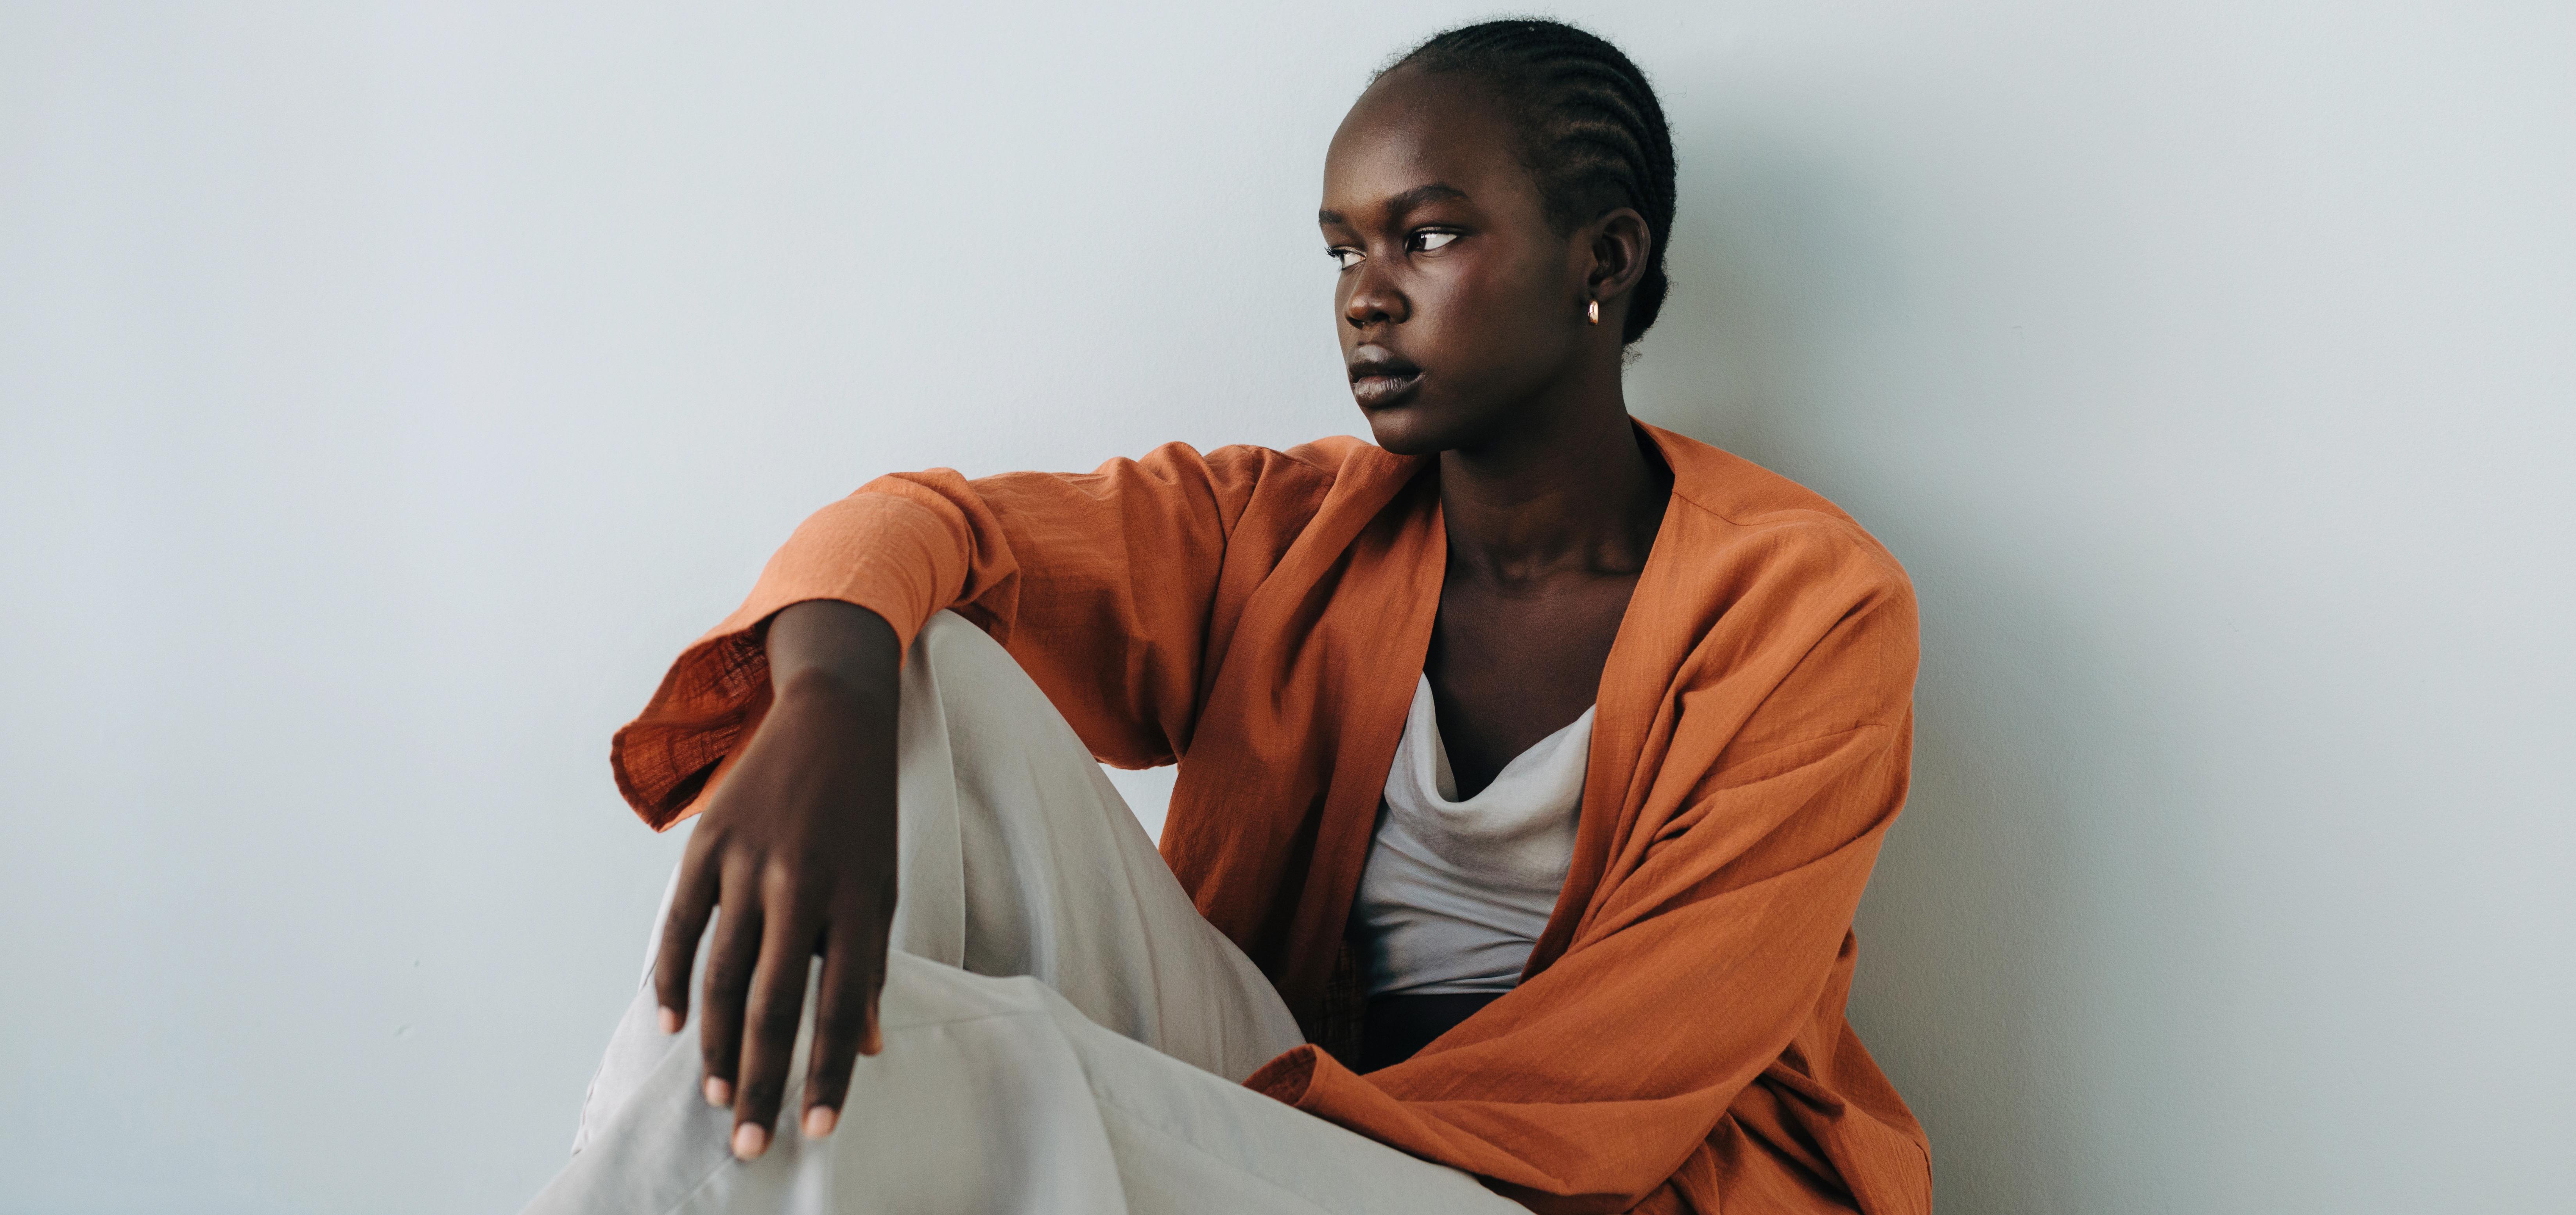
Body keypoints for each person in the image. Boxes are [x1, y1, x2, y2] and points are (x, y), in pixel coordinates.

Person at [523, 18, 1931, 1215]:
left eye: (1426, 236)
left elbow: (1617, 1083)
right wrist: (827, 710)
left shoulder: (1808, 606)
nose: (1366, 300)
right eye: (1340, 253)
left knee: (922, 1051)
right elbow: (921, 526)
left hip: (1573, 1183)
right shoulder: (1289, 523)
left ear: (1603, 260)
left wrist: (1156, 1113)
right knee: (914, 658)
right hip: (1271, 1109)